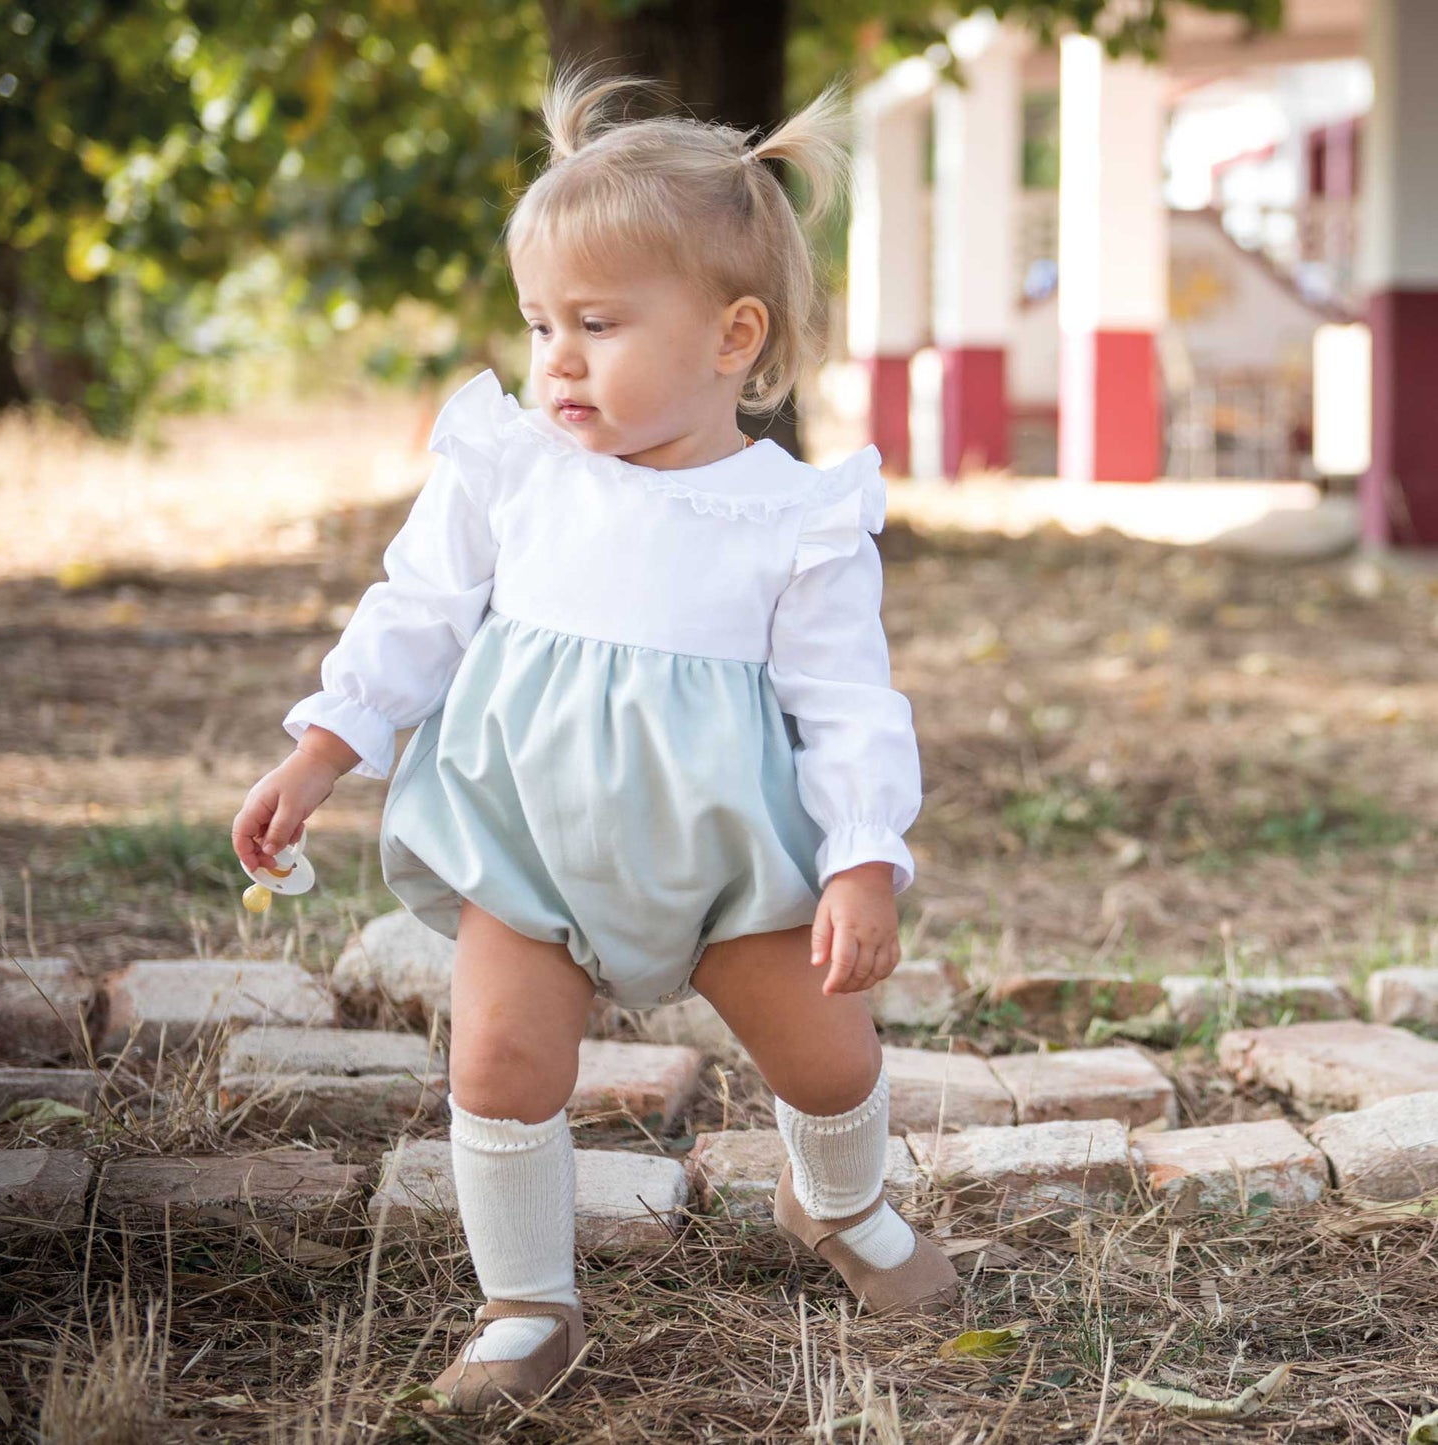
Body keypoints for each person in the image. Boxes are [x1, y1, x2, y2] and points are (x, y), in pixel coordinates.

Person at [231, 65, 957, 1417]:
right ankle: (525, 1301)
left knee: (830, 1056)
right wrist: (325, 745)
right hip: (525, 835)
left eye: (599, 323)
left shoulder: (789, 518)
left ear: (732, 335)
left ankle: (837, 1197)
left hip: (728, 853)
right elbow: (417, 612)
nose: (555, 355)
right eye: (539, 320)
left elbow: (848, 701)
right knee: (500, 1061)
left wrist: (862, 856)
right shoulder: (511, 467)